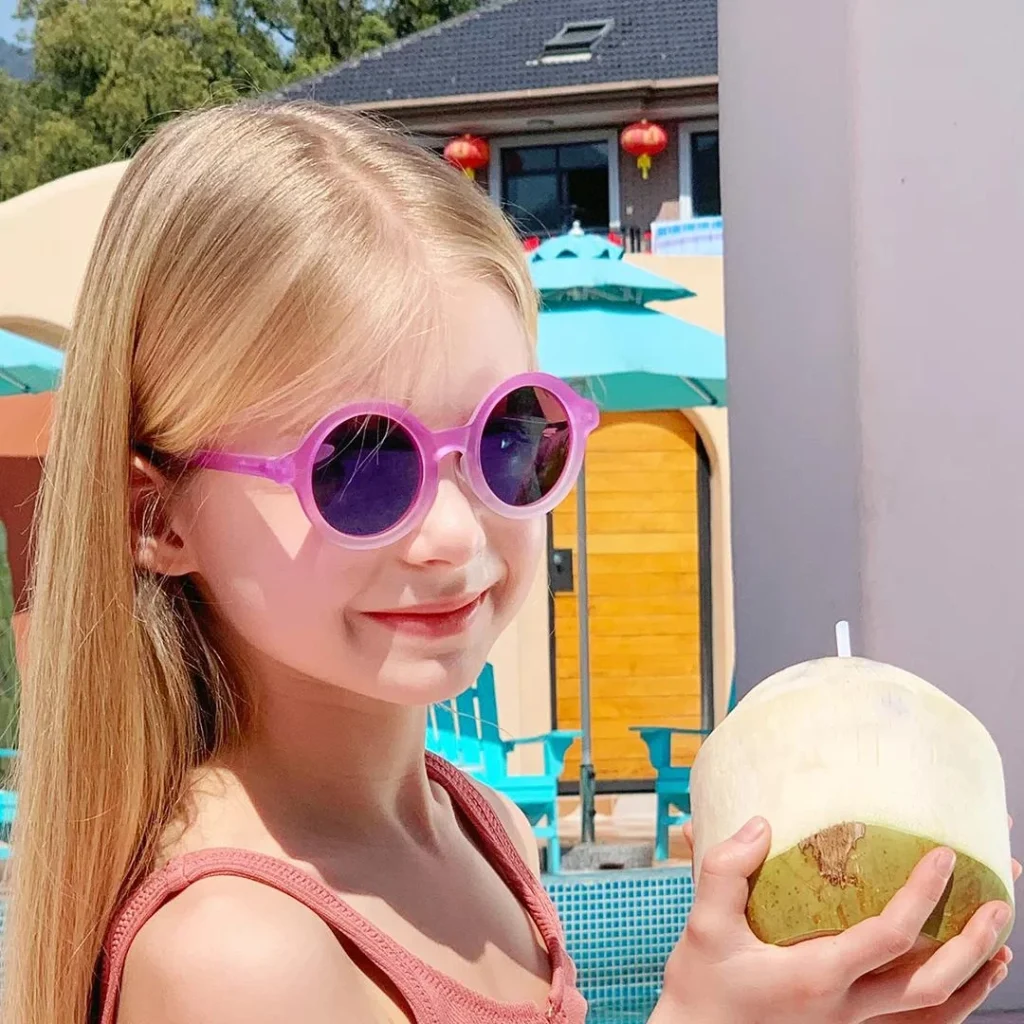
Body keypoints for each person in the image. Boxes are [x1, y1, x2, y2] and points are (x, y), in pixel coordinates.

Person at [0, 100, 1016, 1024]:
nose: (451, 531)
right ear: (158, 515)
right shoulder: (240, 955)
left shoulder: (478, 827)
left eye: (505, 435)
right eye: (359, 462)